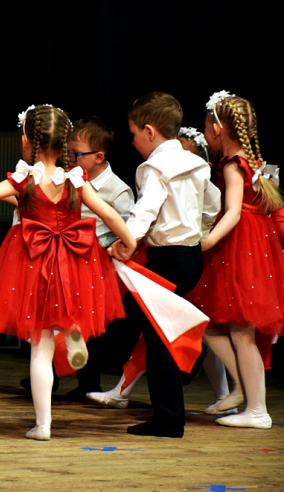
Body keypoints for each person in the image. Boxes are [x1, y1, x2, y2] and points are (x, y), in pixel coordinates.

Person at [0, 104, 135, 440]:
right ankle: (71, 328)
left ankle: (43, 425)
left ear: (26, 141)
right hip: (73, 259)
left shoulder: (26, 179)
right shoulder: (76, 178)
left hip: (34, 260)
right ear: (64, 143)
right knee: (66, 303)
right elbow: (107, 213)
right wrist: (129, 241)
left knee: (39, 348)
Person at [107, 92, 221, 438]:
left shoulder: (153, 168)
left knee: (156, 338)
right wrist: (198, 231)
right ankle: (189, 358)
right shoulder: (196, 163)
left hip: (167, 259)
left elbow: (145, 211)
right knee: (152, 326)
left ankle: (169, 418)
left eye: (133, 134)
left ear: (149, 131)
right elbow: (212, 205)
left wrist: (127, 241)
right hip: (190, 258)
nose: (132, 141)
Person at [185, 91, 284, 429]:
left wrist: (207, 241)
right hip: (254, 245)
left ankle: (257, 409)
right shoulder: (253, 163)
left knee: (241, 331)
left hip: (240, 247)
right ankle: (248, 396)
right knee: (217, 324)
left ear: (217, 128)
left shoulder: (232, 164)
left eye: (206, 126)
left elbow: (233, 212)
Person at [60, 116, 135, 399]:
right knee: (68, 318)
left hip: (99, 264)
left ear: (98, 157)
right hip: (69, 258)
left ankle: (88, 382)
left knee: (91, 323)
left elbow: (126, 227)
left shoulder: (117, 189)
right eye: (68, 153)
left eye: (75, 154)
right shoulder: (69, 179)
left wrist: (115, 247)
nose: (70, 159)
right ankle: (71, 378)